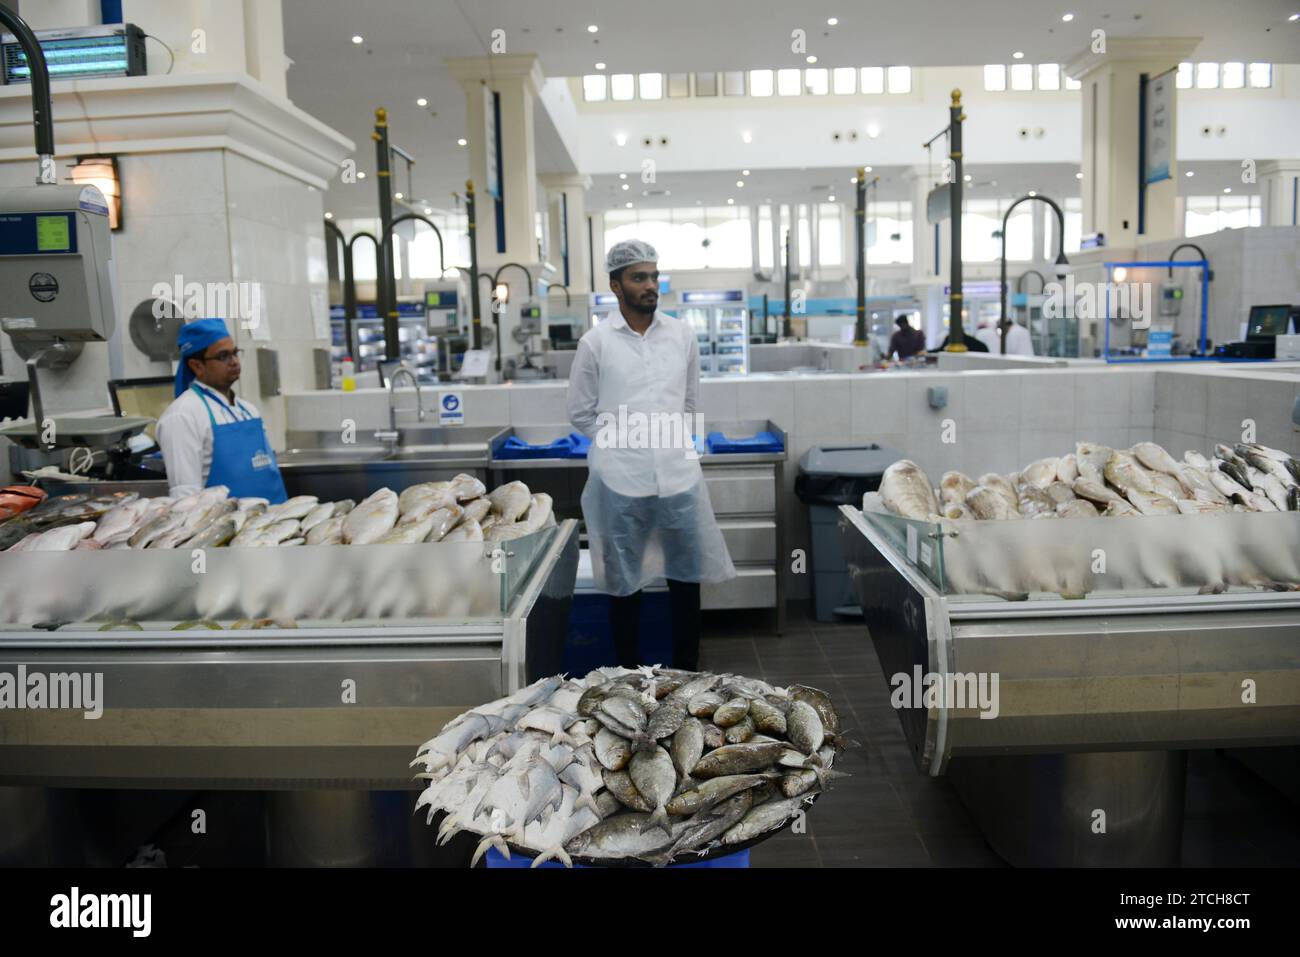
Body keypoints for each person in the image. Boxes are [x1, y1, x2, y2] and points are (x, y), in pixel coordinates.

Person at [567, 239, 736, 671]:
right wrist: (619, 445)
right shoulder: (596, 343)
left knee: (686, 577)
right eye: (639, 277)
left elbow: (691, 404)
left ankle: (688, 675)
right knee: (624, 584)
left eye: (654, 276)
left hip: (678, 477)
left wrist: (674, 443)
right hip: (621, 481)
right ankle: (629, 676)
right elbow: (581, 413)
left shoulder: (681, 335)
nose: (650, 285)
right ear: (616, 285)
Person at [156, 318, 287, 502]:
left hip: (274, 521)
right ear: (197, 366)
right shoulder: (182, 416)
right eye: (223, 356)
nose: (234, 361)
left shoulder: (248, 410)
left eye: (235, 353)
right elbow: (186, 498)